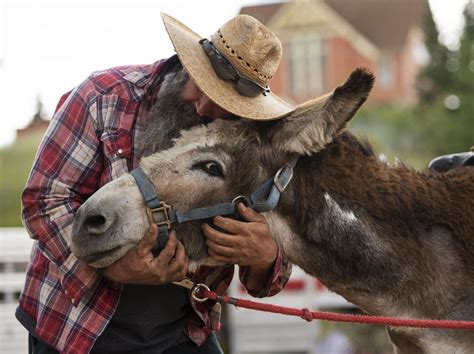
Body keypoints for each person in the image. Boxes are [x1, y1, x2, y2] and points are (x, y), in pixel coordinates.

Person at [18, 13, 294, 353]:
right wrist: (114, 269)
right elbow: (44, 201)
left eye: (226, 104)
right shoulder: (104, 95)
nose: (205, 107)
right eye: (202, 86)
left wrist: (267, 255)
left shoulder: (251, 146)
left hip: (182, 334)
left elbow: (274, 263)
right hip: (76, 328)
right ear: (189, 61)